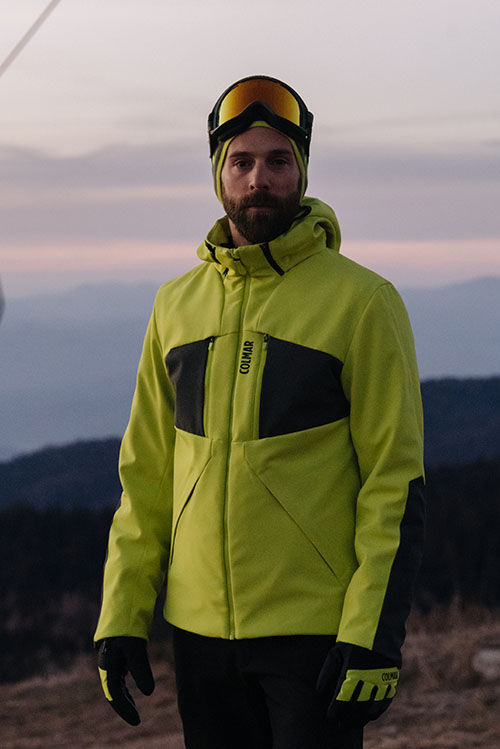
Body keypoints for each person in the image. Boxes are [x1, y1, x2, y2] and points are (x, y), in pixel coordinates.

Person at [95, 75, 425, 749]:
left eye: (279, 161)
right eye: (241, 162)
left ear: (302, 172)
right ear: (218, 175)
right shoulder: (175, 304)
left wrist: (373, 634)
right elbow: (147, 476)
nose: (259, 180)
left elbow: (394, 481)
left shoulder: (363, 301)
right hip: (199, 637)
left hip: (313, 634)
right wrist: (122, 614)